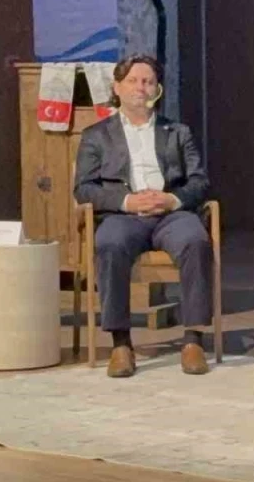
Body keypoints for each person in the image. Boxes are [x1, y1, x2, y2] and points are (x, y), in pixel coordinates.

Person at [73, 54, 213, 378]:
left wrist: (171, 199)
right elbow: (84, 188)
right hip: (123, 215)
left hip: (171, 214)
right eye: (133, 81)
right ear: (117, 87)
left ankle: (193, 340)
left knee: (195, 240)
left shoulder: (177, 132)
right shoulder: (96, 135)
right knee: (109, 243)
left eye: (148, 81)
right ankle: (121, 344)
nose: (141, 87)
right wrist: (127, 201)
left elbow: (200, 181)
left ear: (157, 89)